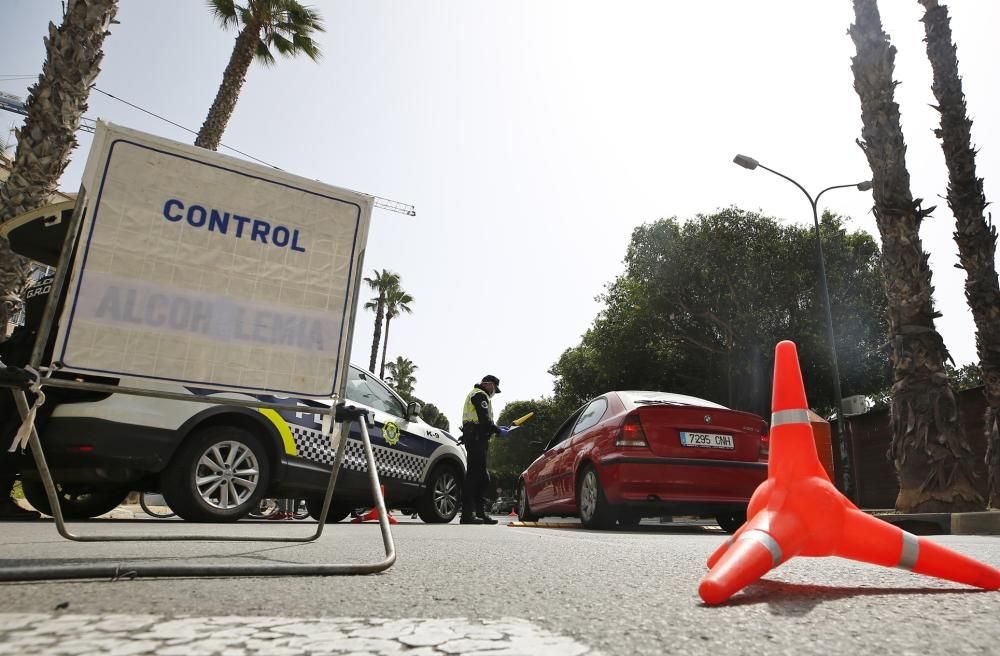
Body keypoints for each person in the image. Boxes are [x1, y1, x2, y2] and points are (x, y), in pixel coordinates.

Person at [0, 269, 56, 520]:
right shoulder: (70, 279)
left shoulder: (44, 281)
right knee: (14, 437)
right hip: (37, 369)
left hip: (21, 363)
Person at [459, 374, 510, 525]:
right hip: (476, 439)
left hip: (475, 438)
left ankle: (479, 513)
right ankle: (468, 514)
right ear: (489, 384)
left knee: (481, 477)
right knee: (475, 477)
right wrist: (498, 430)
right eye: (494, 388)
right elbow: (484, 420)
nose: (494, 392)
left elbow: (475, 421)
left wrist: (496, 429)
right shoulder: (480, 395)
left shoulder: (475, 394)